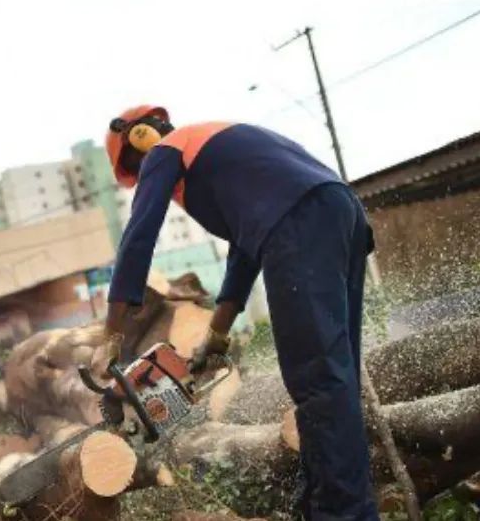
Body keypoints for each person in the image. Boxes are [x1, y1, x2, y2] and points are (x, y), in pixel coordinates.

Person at [93, 105, 379, 520]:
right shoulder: (220, 156)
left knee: (318, 379)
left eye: (136, 170)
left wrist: (112, 335)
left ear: (140, 140)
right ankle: (323, 501)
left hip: (299, 222)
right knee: (336, 378)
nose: (144, 177)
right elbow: (244, 251)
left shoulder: (167, 150)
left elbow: (139, 235)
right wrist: (217, 334)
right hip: (340, 212)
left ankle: (345, 513)